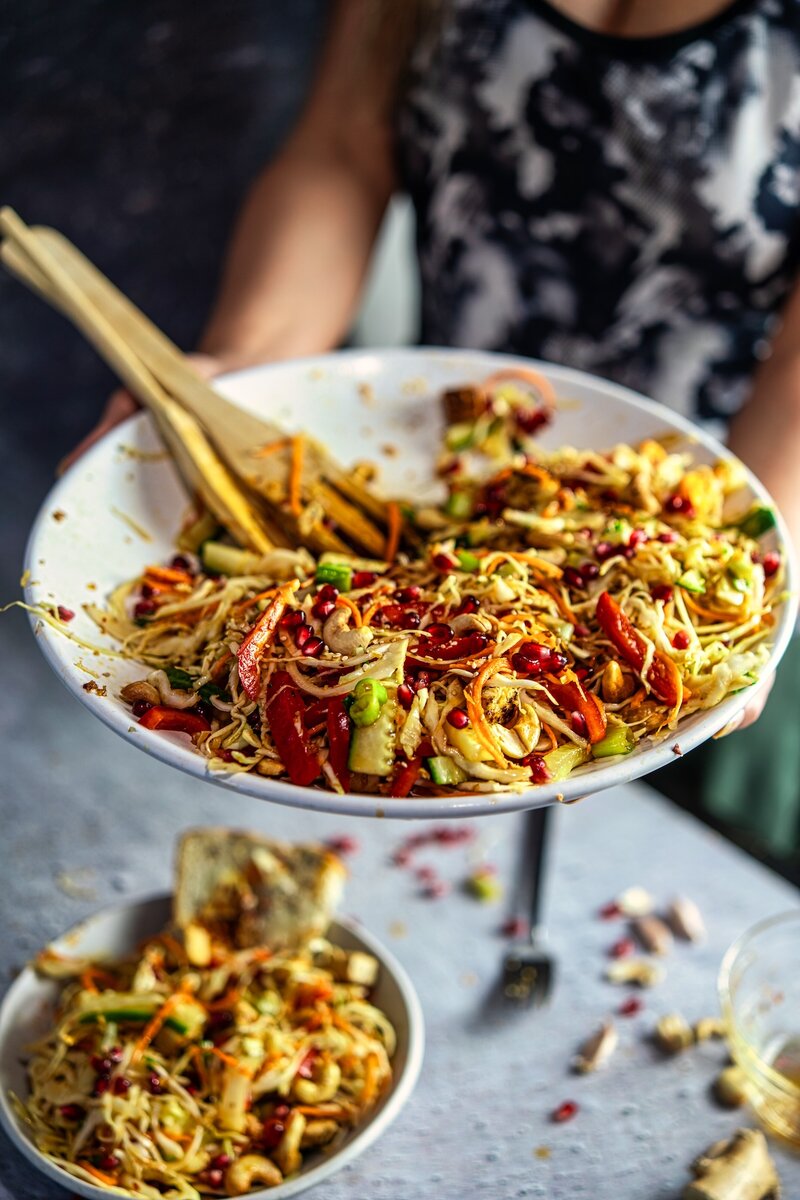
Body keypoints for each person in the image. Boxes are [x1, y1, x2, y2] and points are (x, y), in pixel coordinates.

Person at [69, 0, 800, 862]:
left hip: (710, 507)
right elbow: (343, 145)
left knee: (679, 863)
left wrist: (747, 557)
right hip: (437, 451)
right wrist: (244, 359)